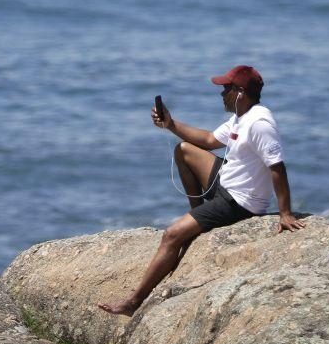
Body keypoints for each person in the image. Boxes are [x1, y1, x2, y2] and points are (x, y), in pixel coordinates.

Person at [98, 65, 304, 316]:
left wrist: (285, 213)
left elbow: (277, 167)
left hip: (238, 202)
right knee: (184, 150)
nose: (221, 94)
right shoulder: (242, 116)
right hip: (225, 183)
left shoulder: (260, 123)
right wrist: (170, 124)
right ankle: (199, 215)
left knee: (171, 236)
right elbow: (208, 140)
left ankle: (133, 302)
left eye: (225, 89)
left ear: (240, 92)